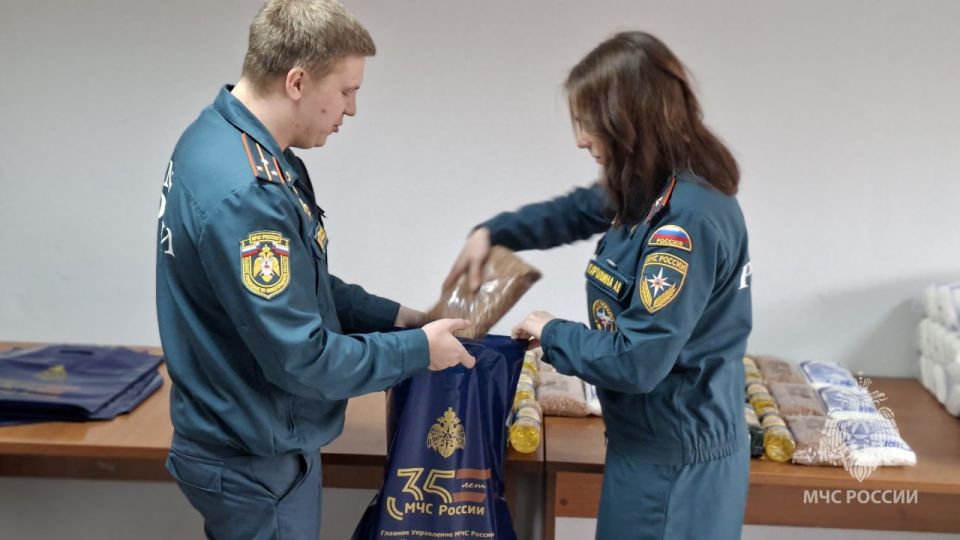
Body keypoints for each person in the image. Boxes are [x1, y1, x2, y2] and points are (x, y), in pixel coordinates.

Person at [155, 1, 474, 538]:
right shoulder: (249, 192)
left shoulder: (219, 139)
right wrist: (418, 351)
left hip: (234, 433)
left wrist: (398, 318)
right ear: (298, 81)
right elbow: (302, 359)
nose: (352, 109)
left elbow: (301, 287)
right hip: (255, 460)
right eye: (347, 91)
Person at [445, 31, 753, 539]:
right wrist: (493, 232)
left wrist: (551, 331)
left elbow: (639, 361)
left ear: (630, 121)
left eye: (589, 122)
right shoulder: (650, 185)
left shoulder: (685, 220)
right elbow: (574, 211)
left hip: (676, 465)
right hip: (646, 446)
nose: (581, 139)